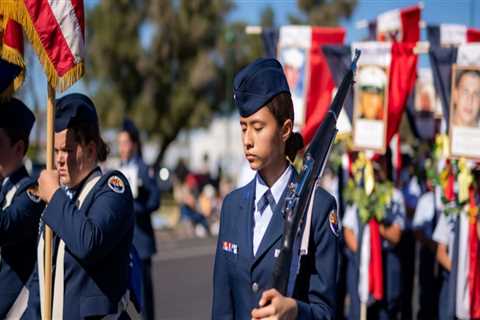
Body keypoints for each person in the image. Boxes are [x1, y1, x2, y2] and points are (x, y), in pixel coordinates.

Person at [212, 58, 340, 319]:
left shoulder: (317, 207)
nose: (247, 140)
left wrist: (295, 310)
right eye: (243, 127)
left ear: (285, 130)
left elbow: (325, 312)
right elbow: (222, 307)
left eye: (258, 128)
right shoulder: (232, 206)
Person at [21, 93, 135, 319]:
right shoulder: (60, 200)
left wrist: (53, 194)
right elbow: (41, 279)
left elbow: (89, 242)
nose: (59, 160)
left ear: (91, 150)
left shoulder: (112, 188)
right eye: (56, 151)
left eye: (68, 150)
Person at [342, 156, 406, 319]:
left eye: (379, 167)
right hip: (361, 259)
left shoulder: (395, 195)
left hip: (386, 259)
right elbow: (348, 230)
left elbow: (396, 236)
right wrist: (364, 253)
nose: (376, 173)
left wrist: (376, 221)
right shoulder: (358, 194)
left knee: (386, 311)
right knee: (358, 310)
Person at [0, 98, 45, 317]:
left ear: (18, 148)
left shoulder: (30, 192)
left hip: (14, 306)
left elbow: (4, 228)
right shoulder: (3, 188)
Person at [118, 118, 160, 320]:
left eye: (125, 143)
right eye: (120, 143)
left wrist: (137, 206)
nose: (122, 148)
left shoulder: (143, 168)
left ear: (133, 144)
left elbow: (156, 200)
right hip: (126, 242)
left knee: (144, 299)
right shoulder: (119, 168)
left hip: (141, 241)